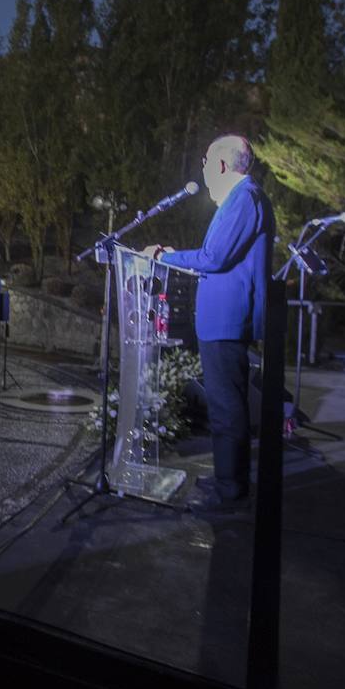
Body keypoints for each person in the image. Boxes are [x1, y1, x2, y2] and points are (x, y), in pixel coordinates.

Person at [149, 133, 274, 510]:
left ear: (220, 164)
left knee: (226, 407)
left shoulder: (245, 198)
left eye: (205, 162)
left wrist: (164, 258)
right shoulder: (241, 198)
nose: (202, 169)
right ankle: (226, 481)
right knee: (225, 405)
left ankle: (230, 490)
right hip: (222, 319)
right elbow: (214, 255)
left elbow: (215, 257)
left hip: (228, 319)